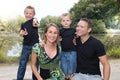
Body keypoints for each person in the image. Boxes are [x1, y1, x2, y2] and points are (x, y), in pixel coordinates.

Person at [17, 5, 39, 80]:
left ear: (33, 15)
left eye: (30, 13)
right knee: (22, 64)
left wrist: (35, 22)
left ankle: (35, 78)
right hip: (26, 46)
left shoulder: (34, 20)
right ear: (24, 13)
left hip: (35, 46)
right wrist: (21, 33)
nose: (28, 15)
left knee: (35, 65)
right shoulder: (23, 24)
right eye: (27, 13)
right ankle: (19, 78)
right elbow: (21, 31)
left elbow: (36, 23)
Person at [60, 13, 77, 80]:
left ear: (70, 21)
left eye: (67, 20)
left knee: (72, 65)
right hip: (63, 52)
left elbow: (78, 37)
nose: (66, 22)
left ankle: (71, 76)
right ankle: (66, 76)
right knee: (63, 66)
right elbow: (57, 39)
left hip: (72, 51)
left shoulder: (74, 30)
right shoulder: (60, 31)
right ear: (61, 22)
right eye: (63, 21)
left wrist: (76, 38)